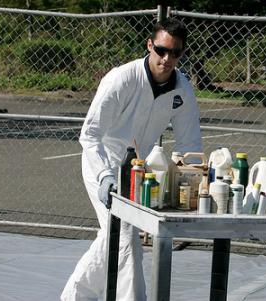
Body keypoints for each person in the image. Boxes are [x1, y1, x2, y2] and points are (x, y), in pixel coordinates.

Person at [61, 18, 202, 301]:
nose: (166, 59)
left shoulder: (182, 90)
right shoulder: (121, 79)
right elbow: (90, 135)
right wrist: (104, 175)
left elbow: (190, 147)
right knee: (125, 237)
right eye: (161, 50)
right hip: (101, 163)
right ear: (150, 45)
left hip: (136, 171)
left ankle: (74, 297)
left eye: (175, 53)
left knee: (114, 236)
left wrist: (191, 190)